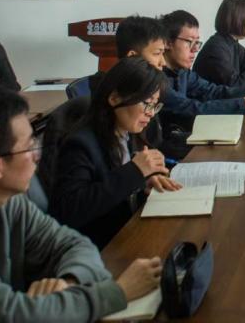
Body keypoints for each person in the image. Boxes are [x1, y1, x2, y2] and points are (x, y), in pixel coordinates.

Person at [0, 84, 161, 322]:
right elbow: (15, 315)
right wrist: (119, 292)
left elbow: (74, 244)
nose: (37, 155)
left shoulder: (8, 202)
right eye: (28, 147)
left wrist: (69, 282)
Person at [50, 57, 181, 248]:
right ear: (114, 98)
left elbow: (116, 184)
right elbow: (68, 211)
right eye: (146, 103)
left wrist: (143, 181)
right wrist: (135, 172)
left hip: (125, 231)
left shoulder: (127, 132)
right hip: (99, 247)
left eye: (155, 105)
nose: (151, 113)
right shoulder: (81, 144)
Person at [159, 10, 245, 133]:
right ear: (168, 42)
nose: (195, 49)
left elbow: (213, 91)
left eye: (197, 42)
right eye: (189, 42)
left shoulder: (183, 72)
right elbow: (193, 109)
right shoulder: (156, 78)